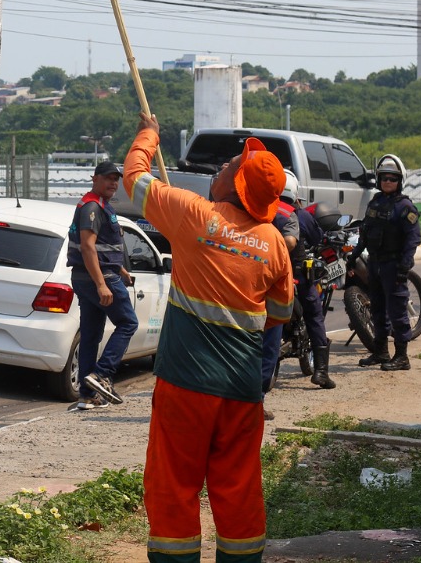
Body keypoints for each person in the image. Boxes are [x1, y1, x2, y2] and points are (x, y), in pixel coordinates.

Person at [123, 114, 294, 563]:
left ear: (236, 185)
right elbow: (280, 313)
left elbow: (134, 177)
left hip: (185, 384)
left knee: (174, 483)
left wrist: (149, 133)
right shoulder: (274, 243)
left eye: (228, 165)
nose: (220, 168)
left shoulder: (193, 214)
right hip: (242, 392)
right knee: (239, 488)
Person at [67, 159, 138, 409]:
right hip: (98, 278)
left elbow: (100, 247)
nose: (113, 183)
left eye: (116, 179)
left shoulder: (99, 205)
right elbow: (87, 247)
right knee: (128, 322)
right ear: (94, 179)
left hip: (90, 276)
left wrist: (121, 269)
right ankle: (102, 374)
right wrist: (101, 284)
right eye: (108, 178)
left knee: (91, 335)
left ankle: (87, 395)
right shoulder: (92, 207)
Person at [354, 153, 421, 372]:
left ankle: (402, 357)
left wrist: (404, 266)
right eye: (384, 178)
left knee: (397, 311)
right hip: (375, 264)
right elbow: (365, 232)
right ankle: (381, 352)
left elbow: (413, 238)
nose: (387, 182)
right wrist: (355, 254)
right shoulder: (375, 202)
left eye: (392, 178)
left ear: (400, 181)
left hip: (393, 266)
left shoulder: (405, 207)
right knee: (377, 309)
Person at [291, 178, 336, 389]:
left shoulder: (264, 211)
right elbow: (317, 238)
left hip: (267, 274)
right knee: (314, 315)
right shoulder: (300, 215)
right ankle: (321, 372)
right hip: (297, 276)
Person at [259, 171, 301, 395]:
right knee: (270, 340)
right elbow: (291, 241)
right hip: (275, 281)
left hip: (250, 278)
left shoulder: (254, 205)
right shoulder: (288, 213)